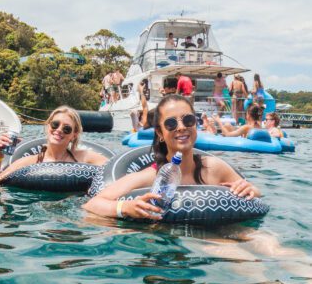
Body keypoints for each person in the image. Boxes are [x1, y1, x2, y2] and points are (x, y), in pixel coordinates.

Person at [83, 94, 261, 220]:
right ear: (160, 133)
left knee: (267, 243)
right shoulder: (151, 177)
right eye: (171, 123)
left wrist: (249, 188)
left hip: (223, 228)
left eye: (188, 120)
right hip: (176, 241)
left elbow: (257, 195)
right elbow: (92, 205)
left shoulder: (214, 168)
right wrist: (125, 207)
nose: (181, 127)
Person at [0, 106, 109, 186]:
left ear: (74, 135)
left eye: (67, 129)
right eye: (55, 124)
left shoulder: (86, 158)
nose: (59, 130)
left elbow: (115, 172)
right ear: (48, 126)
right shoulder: (29, 161)